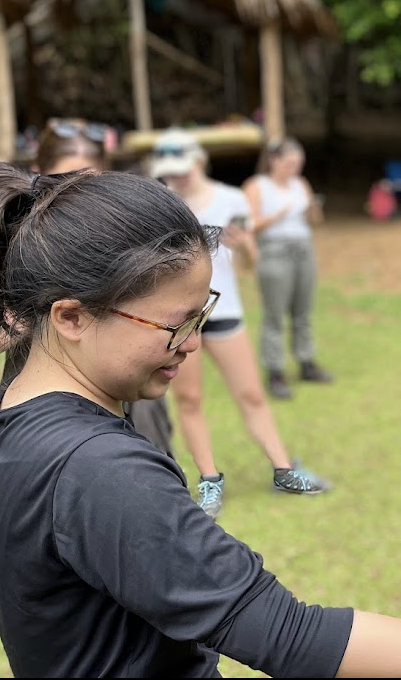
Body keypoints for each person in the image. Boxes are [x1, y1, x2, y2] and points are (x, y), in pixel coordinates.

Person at [0, 162, 401, 677]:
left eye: (202, 316)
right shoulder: (99, 471)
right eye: (175, 325)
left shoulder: (14, 415)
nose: (194, 344)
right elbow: (288, 637)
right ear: (72, 317)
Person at [149, 128, 330, 517]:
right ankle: (209, 480)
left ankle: (284, 470)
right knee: (190, 399)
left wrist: (244, 244)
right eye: (168, 170)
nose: (175, 177)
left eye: (181, 168)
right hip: (182, 318)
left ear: (199, 161)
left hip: (226, 311)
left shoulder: (231, 199)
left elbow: (248, 266)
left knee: (251, 395)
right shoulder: (160, 203)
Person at [0, 118, 177, 460]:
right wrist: (31, 315)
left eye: (90, 181)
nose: (81, 195)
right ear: (39, 175)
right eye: (67, 182)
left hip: (128, 384)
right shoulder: (17, 239)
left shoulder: (129, 228)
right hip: (41, 396)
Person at [242, 136, 334, 399]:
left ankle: (306, 362)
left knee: (303, 310)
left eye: (298, 163)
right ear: (274, 161)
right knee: (275, 315)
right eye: (290, 163)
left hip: (303, 250)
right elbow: (248, 224)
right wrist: (276, 216)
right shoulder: (257, 186)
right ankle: (276, 371)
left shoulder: (300, 184)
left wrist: (314, 209)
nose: (294, 168)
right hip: (274, 252)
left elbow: (315, 222)